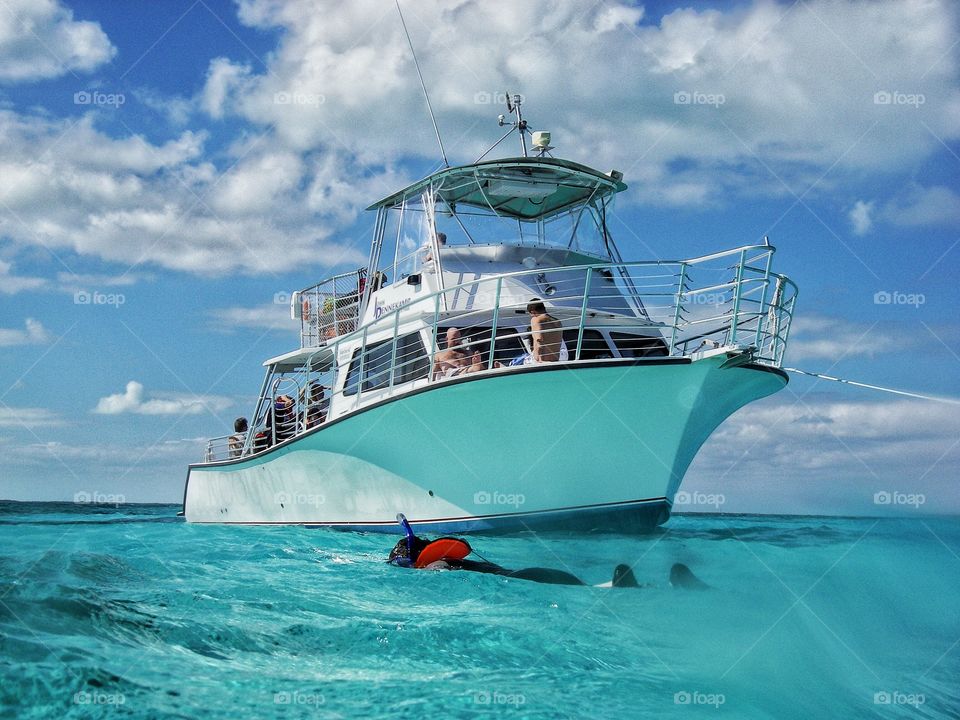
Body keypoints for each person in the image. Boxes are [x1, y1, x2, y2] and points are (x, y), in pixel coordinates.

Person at [386, 515, 708, 589]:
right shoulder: (453, 560)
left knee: (595, 592)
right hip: (535, 575)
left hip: (532, 578)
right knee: (594, 591)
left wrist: (419, 575)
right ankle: (662, 586)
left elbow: (436, 570)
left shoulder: (440, 563)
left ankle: (637, 588)